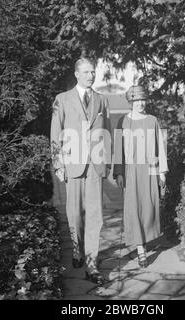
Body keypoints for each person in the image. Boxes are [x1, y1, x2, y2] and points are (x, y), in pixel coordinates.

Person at [50, 58, 111, 284]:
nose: (91, 76)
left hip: (95, 165)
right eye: (86, 72)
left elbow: (108, 132)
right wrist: (58, 164)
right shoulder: (62, 100)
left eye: (93, 72)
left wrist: (108, 162)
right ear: (76, 74)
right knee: (74, 214)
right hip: (72, 163)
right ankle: (77, 249)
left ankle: (92, 264)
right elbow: (56, 133)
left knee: (95, 216)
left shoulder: (102, 100)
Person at [113, 85, 168, 268]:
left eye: (143, 100)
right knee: (134, 208)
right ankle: (140, 249)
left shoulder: (152, 120)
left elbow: (160, 147)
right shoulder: (123, 121)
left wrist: (161, 173)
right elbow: (118, 151)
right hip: (131, 171)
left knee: (148, 207)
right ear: (131, 102)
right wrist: (119, 172)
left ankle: (145, 239)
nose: (141, 104)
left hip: (150, 167)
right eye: (137, 101)